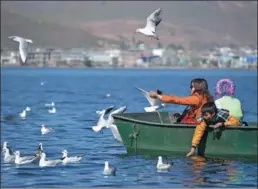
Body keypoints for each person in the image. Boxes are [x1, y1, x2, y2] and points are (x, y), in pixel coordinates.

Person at [149, 78, 214, 124]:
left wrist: (157, 96)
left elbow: (179, 100)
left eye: (191, 86)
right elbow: (180, 99)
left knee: (176, 123)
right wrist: (163, 95)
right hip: (200, 121)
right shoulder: (205, 96)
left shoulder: (196, 98)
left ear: (196, 88)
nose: (190, 88)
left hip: (196, 123)